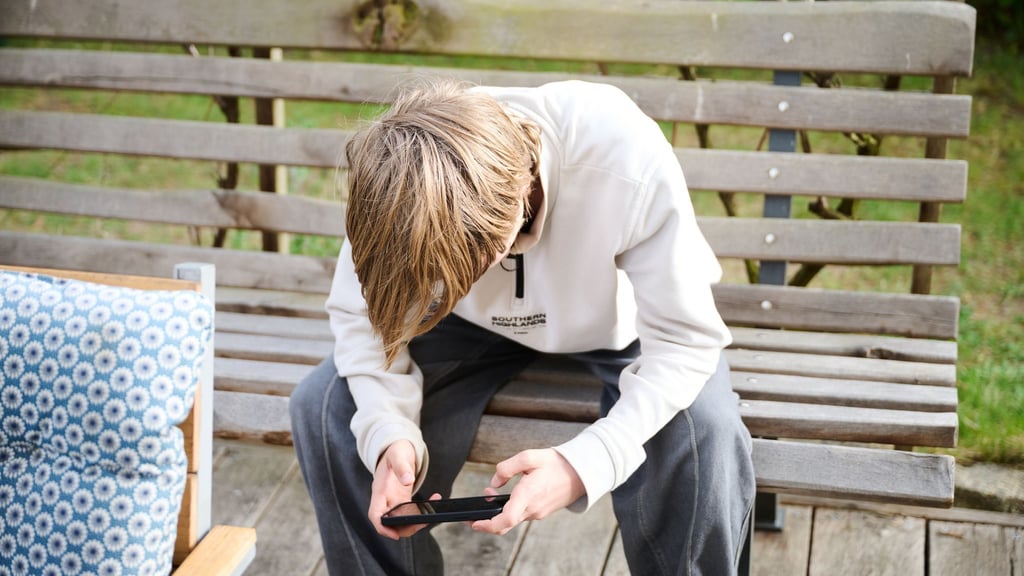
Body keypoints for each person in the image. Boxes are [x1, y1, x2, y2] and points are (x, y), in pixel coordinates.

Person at [290, 78, 756, 575]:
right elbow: (362, 317)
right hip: (462, 326)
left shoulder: (622, 154)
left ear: (502, 238)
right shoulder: (399, 180)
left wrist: (584, 464)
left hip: (618, 328)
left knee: (704, 428)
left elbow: (686, 342)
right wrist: (388, 433)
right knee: (326, 408)